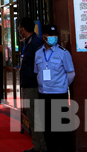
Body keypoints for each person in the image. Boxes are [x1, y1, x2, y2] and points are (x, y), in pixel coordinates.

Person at [35, 24, 75, 152]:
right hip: (43, 94)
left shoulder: (63, 53)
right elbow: (37, 72)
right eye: (51, 35)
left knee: (62, 128)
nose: (54, 38)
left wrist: (62, 86)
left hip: (59, 94)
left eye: (55, 35)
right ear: (44, 37)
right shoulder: (38, 53)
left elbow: (71, 73)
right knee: (47, 128)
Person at [18, 18, 46, 152]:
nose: (19, 30)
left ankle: (43, 147)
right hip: (28, 84)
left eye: (19, 28)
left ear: (23, 29)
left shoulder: (35, 43)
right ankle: (38, 145)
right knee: (32, 117)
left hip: (33, 85)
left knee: (36, 117)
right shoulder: (28, 42)